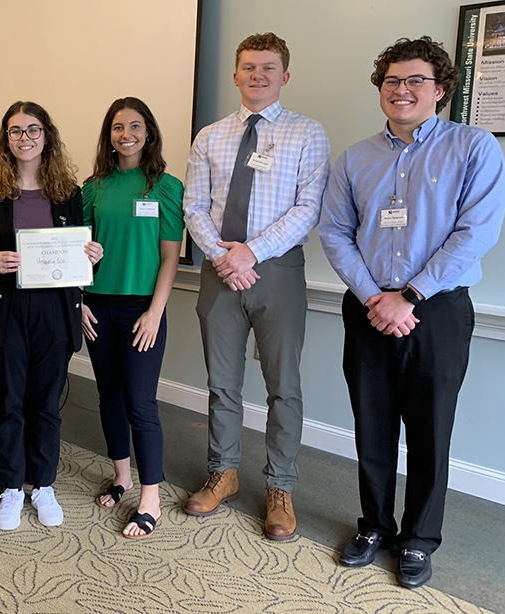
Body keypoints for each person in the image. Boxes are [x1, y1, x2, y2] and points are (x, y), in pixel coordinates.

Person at [319, 36, 505, 589]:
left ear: (441, 90)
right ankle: (375, 525)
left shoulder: (474, 148)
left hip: (439, 310)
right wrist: (375, 296)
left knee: (430, 431)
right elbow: (333, 232)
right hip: (370, 307)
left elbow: (475, 234)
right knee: (371, 426)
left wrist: (412, 295)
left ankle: (419, 539)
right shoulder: (355, 158)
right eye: (391, 81)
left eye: (414, 80)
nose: (401, 90)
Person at [182, 33, 330, 540]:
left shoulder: (308, 134)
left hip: (277, 272)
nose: (258, 76)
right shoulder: (210, 136)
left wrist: (251, 252)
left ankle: (280, 487)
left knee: (282, 388)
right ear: (236, 74)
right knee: (222, 383)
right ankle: (222, 473)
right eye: (248, 67)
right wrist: (226, 257)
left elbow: (307, 209)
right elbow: (194, 206)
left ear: (284, 76)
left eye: (268, 68)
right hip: (220, 273)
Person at [0, 101, 103, 531]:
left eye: (33, 130)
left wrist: (91, 256)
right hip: (5, 309)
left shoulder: (67, 191)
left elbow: (78, 254)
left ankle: (41, 484)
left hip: (54, 312)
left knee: (45, 404)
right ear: (5, 138)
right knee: (7, 402)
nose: (24, 138)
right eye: (15, 131)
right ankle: (8, 486)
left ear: (47, 136)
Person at [81, 97, 184, 538]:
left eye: (135, 126)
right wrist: (79, 300)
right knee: (109, 396)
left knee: (141, 403)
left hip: (144, 309)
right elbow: (77, 252)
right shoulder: (92, 188)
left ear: (149, 132)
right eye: (118, 127)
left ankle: (151, 498)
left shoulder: (165, 186)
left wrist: (155, 313)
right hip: (97, 308)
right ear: (109, 135)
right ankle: (121, 476)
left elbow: (170, 258)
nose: (126, 135)